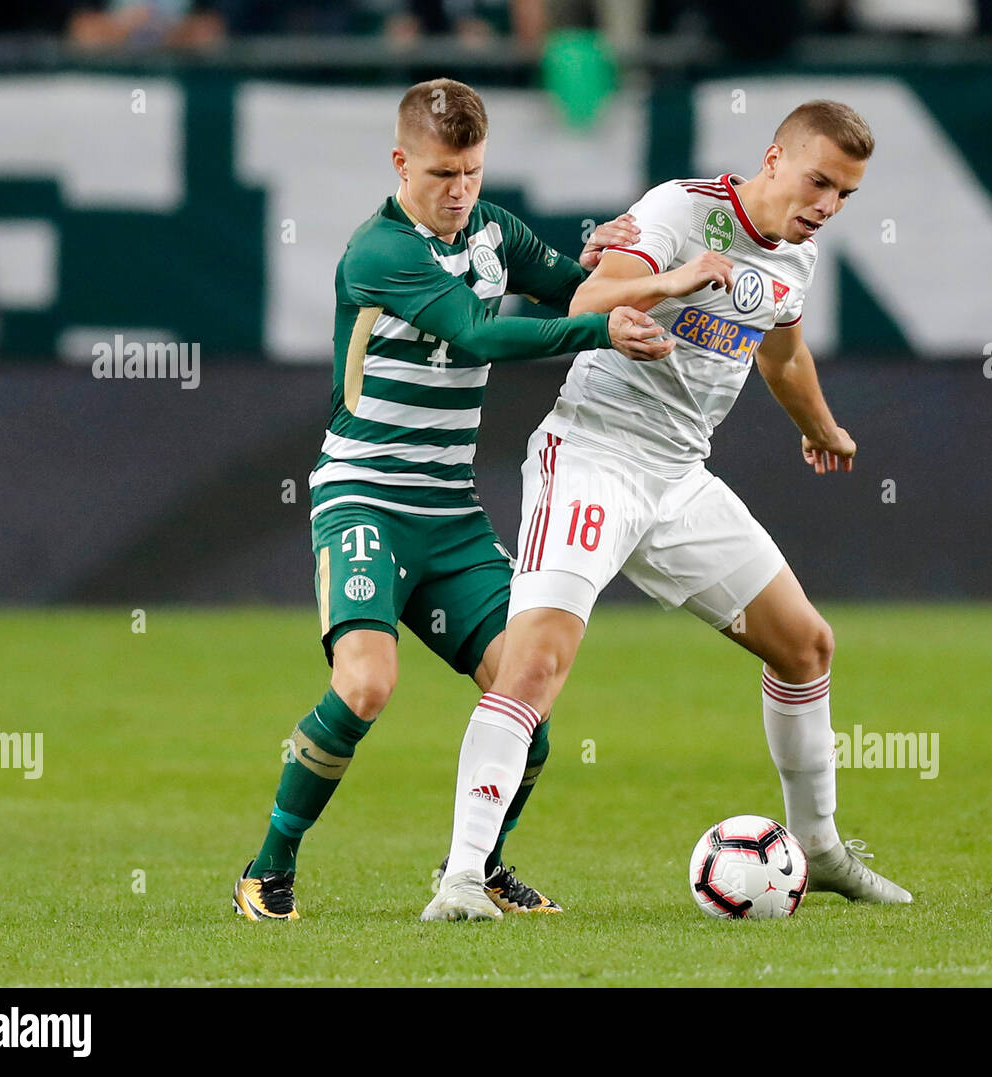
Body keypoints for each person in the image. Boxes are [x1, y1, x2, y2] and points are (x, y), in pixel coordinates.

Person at [424, 99, 912, 922]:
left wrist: (820, 426)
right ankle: (462, 879)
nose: (827, 205)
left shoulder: (799, 259)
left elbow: (783, 353)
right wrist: (670, 281)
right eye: (819, 181)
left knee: (805, 645)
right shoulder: (682, 210)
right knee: (534, 666)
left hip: (678, 477)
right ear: (774, 158)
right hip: (592, 455)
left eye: (846, 195)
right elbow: (587, 299)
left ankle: (820, 849)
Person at [233, 77, 670, 921]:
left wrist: (617, 260)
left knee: (528, 690)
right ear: (401, 163)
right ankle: (268, 866)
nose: (459, 191)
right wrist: (598, 328)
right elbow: (481, 333)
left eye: (471, 172)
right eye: (441, 174)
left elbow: (566, 286)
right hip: (364, 500)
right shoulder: (378, 251)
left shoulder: (491, 229)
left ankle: (479, 865)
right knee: (366, 684)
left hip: (450, 514)